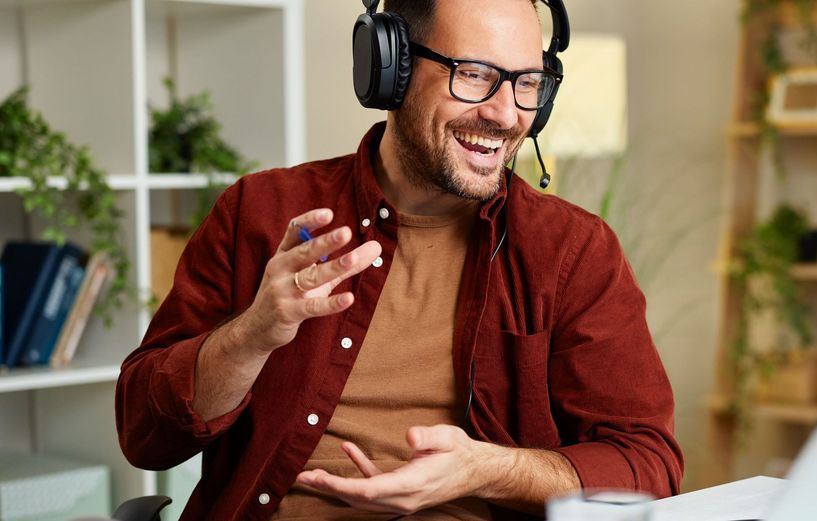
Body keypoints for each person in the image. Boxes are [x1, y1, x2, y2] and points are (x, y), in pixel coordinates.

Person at [115, 0, 683, 519]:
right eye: (476, 76)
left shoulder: (573, 252)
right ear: (394, 69)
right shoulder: (261, 212)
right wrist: (253, 335)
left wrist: (490, 469)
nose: (507, 114)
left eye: (528, 83)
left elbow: (648, 466)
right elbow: (146, 437)